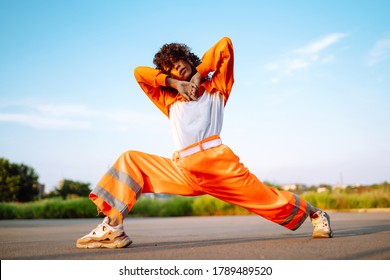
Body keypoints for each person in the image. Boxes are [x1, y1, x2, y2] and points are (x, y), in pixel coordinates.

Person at [76, 37, 333, 249]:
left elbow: (225, 46)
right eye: (171, 69)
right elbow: (138, 73)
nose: (177, 68)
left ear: (189, 60)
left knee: (269, 200)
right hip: (183, 169)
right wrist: (175, 84)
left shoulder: (217, 87)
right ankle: (114, 228)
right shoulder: (169, 101)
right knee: (130, 159)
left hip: (219, 166)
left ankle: (316, 214)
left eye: (179, 63)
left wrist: (199, 76)